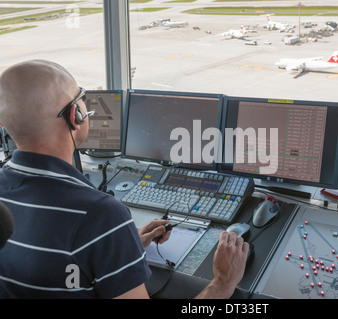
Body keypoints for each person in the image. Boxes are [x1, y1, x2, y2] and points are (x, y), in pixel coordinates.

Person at [0, 60, 249, 299]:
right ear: (75, 115)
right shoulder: (100, 214)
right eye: (81, 98)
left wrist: (120, 248)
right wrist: (222, 284)